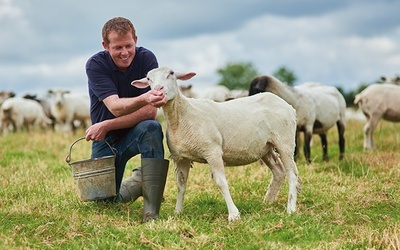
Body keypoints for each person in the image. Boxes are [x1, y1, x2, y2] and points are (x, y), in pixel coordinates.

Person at [85, 17, 169, 222]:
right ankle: (139, 181)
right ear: (106, 46)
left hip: (133, 132)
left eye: (129, 45)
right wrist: (145, 98)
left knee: (151, 127)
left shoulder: (147, 59)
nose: (125, 52)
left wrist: (106, 124)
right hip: (105, 140)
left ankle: (151, 211)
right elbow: (114, 106)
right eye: (117, 47)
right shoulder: (95, 65)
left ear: (136, 40)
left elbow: (151, 112)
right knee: (103, 203)